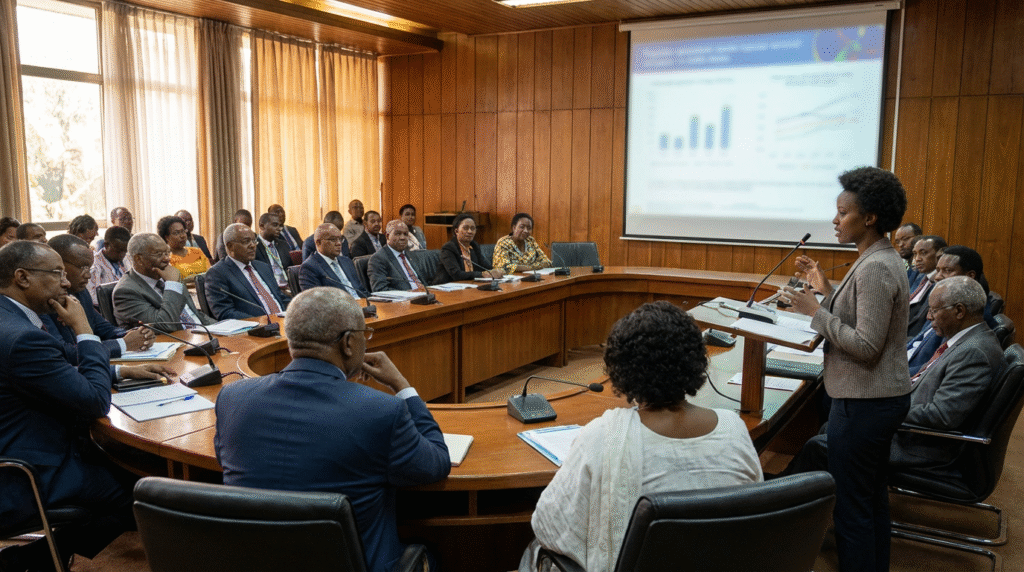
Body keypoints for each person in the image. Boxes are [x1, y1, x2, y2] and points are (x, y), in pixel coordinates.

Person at [214, 287, 450, 572]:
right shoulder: (380, 411)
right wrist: (403, 386)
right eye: (366, 334)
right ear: (349, 343)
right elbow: (436, 463)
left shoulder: (232, 398)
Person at [519, 301, 761, 572]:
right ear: (696, 359)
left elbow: (548, 526)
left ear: (620, 368)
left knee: (534, 551)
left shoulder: (602, 436)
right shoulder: (734, 428)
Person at [0, 240, 170, 572]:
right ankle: (26, 562)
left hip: (21, 443)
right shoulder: (23, 338)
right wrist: (84, 330)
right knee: (144, 494)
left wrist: (117, 370)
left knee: (130, 464)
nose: (66, 283)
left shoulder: (12, 319)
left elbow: (55, 366)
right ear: (22, 277)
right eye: (56, 274)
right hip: (29, 470)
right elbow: (94, 402)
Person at [781, 166, 912, 572]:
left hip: (865, 400)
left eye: (843, 213)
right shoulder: (879, 258)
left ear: (869, 218)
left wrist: (816, 311)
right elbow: (863, 316)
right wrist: (827, 289)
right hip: (877, 397)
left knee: (852, 510)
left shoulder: (874, 267)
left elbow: (867, 346)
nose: (835, 221)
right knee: (871, 500)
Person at [783, 277, 1005, 474]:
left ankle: (783, 502)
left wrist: (883, 410)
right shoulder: (970, 339)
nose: (928, 317)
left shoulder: (974, 353)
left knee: (821, 443)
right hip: (911, 427)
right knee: (832, 425)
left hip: (922, 445)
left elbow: (942, 416)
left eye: (934, 310)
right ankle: (813, 490)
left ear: (959, 311)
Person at [43, 235, 154, 362]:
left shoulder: (81, 292)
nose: (89, 275)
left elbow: (102, 327)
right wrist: (123, 344)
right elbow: (65, 352)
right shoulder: (41, 301)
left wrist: (136, 334)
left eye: (89, 268)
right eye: (82, 267)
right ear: (58, 264)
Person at [907, 245, 996, 375]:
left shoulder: (969, 316)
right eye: (937, 270)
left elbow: (933, 368)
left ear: (970, 276)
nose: (937, 277)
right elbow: (920, 341)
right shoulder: (945, 302)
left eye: (947, 270)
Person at [112, 233, 217, 332]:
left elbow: (194, 314)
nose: (166, 259)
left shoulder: (168, 274)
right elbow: (164, 325)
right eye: (158, 254)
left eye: (167, 253)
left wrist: (220, 328)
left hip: (200, 335)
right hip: (175, 343)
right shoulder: (125, 292)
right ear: (139, 259)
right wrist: (172, 284)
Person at [204, 223, 290, 320]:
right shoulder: (217, 274)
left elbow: (280, 298)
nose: (253, 246)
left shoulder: (263, 267)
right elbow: (225, 313)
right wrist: (262, 321)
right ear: (230, 246)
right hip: (257, 330)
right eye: (246, 241)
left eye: (254, 241)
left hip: (285, 322)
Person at [298, 223, 366, 298]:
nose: (339, 243)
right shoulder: (309, 268)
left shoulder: (347, 261)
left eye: (340, 239)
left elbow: (362, 291)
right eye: (333, 239)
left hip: (363, 305)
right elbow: (316, 301)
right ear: (318, 243)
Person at [434, 213, 503, 284]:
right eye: (466, 228)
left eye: (473, 228)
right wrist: (482, 274)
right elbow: (456, 274)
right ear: (456, 231)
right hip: (449, 287)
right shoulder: (449, 248)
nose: (470, 231)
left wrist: (496, 271)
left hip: (470, 285)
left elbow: (485, 266)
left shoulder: (474, 246)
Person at [367, 220, 426, 292]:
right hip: (405, 300)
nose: (403, 238)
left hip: (425, 295)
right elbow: (380, 290)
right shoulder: (378, 259)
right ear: (388, 236)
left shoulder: (411, 255)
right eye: (398, 234)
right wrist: (408, 293)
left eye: (405, 234)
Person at [907, 235, 948, 337]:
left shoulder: (942, 283)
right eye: (915, 254)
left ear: (940, 255)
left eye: (923, 253)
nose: (917, 259)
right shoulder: (919, 276)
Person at [87, 226, 133, 307]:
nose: (122, 255)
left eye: (125, 251)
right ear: (106, 245)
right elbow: (94, 297)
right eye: (118, 251)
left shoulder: (128, 258)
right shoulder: (94, 265)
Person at [158, 215, 210, 282]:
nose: (182, 236)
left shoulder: (197, 251)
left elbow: (210, 274)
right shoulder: (165, 258)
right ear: (166, 237)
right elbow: (175, 280)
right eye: (177, 233)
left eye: (183, 231)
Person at [253, 212, 292, 291]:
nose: (279, 229)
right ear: (262, 226)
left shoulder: (283, 245)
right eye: (275, 225)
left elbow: (290, 269)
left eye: (280, 225)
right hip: (270, 289)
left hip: (289, 287)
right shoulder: (254, 247)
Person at [893, 222, 923, 290]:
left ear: (918, 238)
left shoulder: (923, 267)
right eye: (897, 242)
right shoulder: (901, 265)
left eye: (905, 239)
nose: (901, 244)